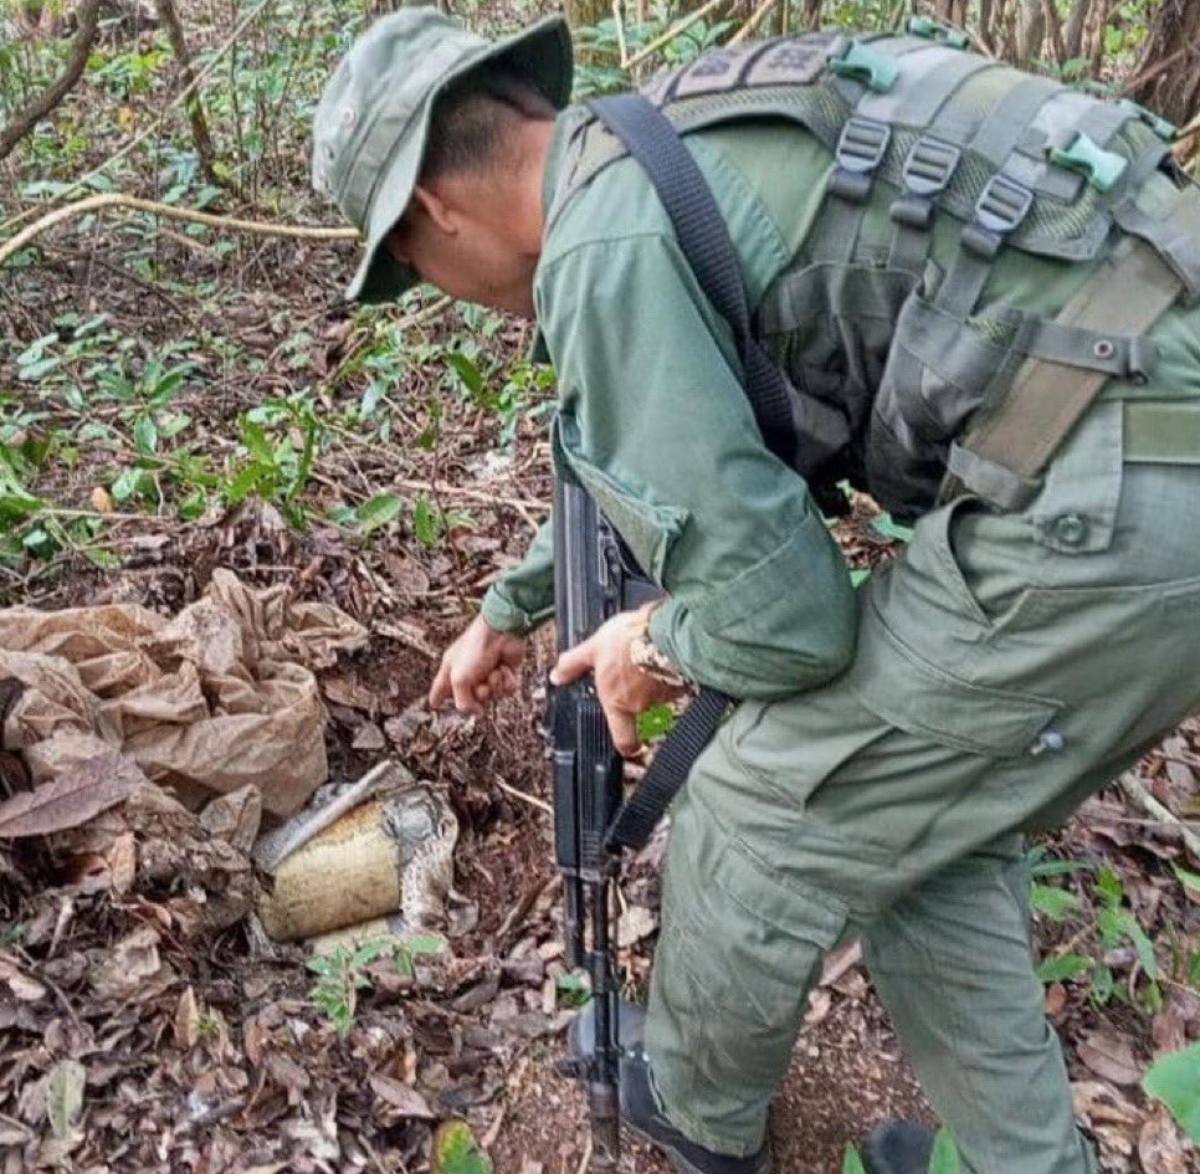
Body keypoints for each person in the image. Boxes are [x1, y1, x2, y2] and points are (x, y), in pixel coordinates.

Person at [312, 10, 1200, 1174]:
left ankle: (690, 1108)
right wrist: (511, 606)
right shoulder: (661, 143)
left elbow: (790, 620)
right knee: (908, 815)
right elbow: (654, 451)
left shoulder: (598, 249)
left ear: (435, 211)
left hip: (1115, 495)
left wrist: (659, 642)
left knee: (763, 797)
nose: (436, 288)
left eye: (410, 269)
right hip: (1142, 440)